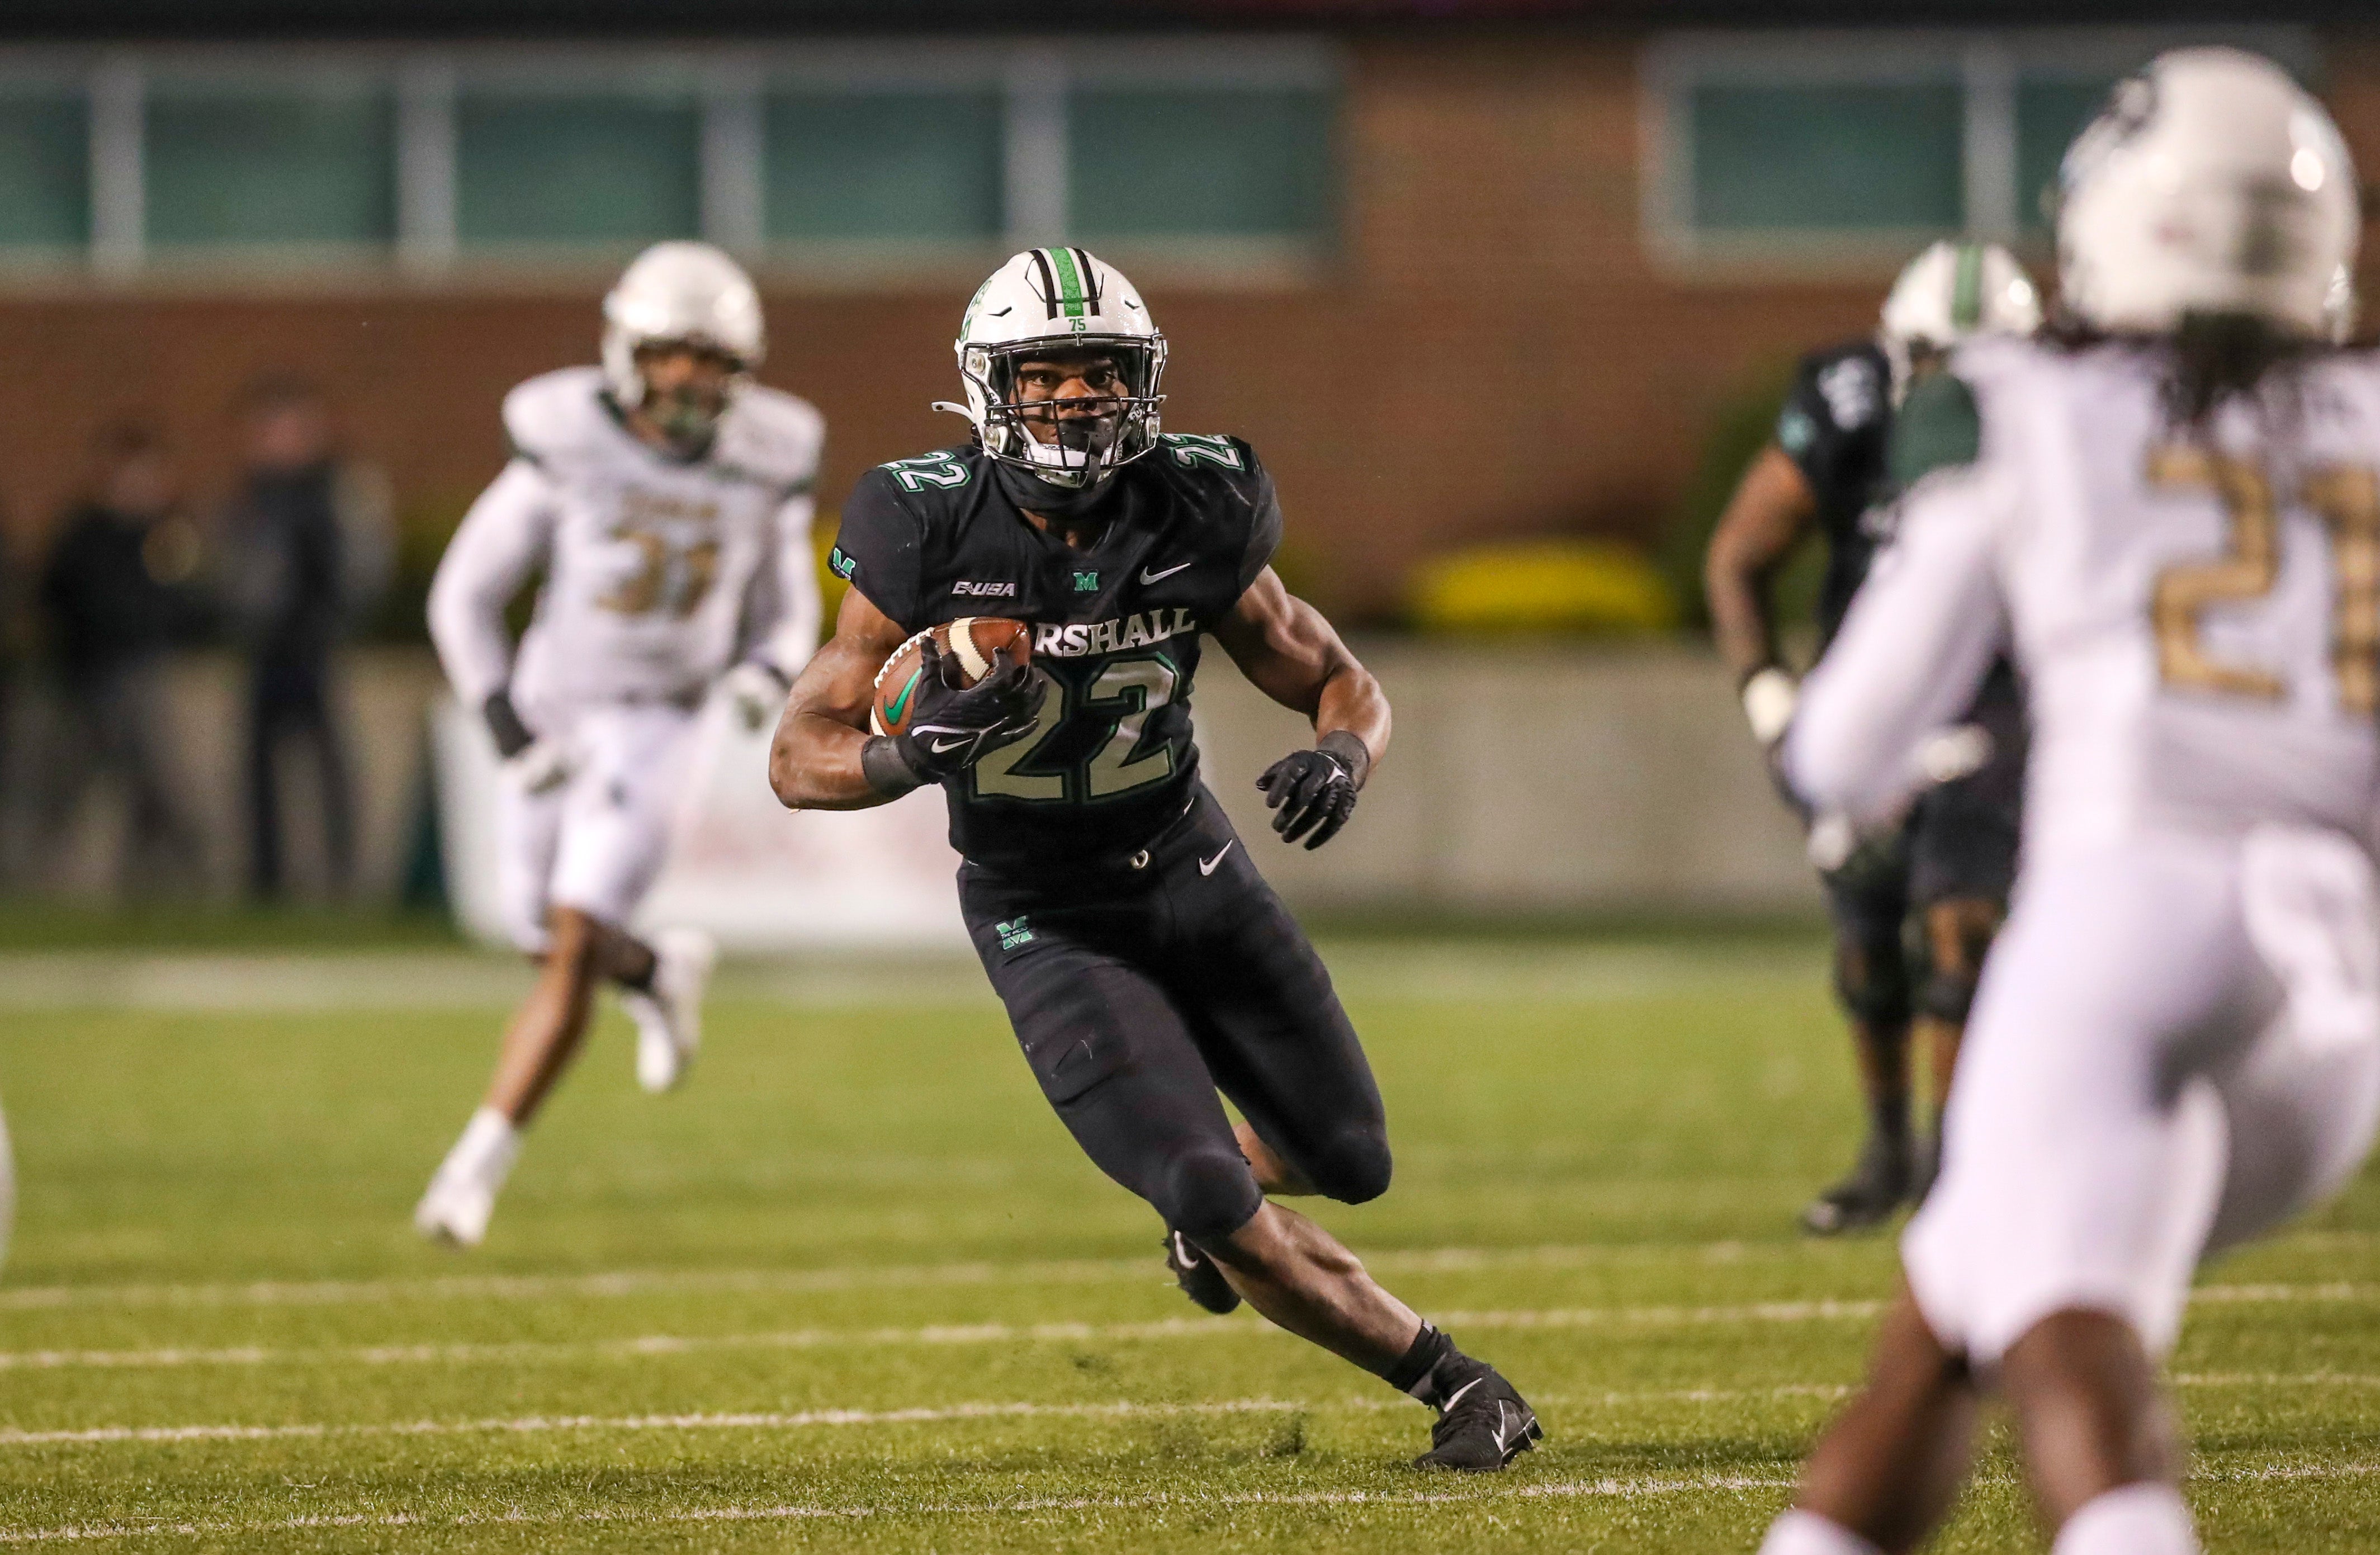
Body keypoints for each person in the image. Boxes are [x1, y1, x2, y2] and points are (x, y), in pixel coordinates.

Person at [769, 247, 1540, 1472]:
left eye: (1102, 372)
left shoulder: (1197, 497)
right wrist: (908, 757)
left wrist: (1345, 757)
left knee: (1350, 1158)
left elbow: (1337, 674)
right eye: (1049, 373)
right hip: (1046, 910)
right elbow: (798, 752)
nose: (1078, 397)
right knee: (1201, 1183)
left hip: (1192, 866)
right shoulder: (921, 517)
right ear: (989, 389)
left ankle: (1206, 1218)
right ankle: (1453, 1378)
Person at [1758, 49, 2377, 1555]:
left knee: (2060, 1326)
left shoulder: (2028, 404)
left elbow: (1840, 750)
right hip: (2344, 989)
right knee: (1944, 1320)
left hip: (2130, 919)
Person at [415, 241, 824, 1247]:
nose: (688, 377)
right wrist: (508, 727)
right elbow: (462, 595)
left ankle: (477, 1165)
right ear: (625, 351)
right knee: (537, 930)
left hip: (663, 717)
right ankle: (654, 973)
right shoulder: (566, 437)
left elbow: (786, 606)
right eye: (671, 352)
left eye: (709, 357)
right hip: (556, 705)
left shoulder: (768, 454)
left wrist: (763, 677)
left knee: (564, 945)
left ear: (743, 367)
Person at [1705, 240, 2041, 1233]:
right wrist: (1771, 706)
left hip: (1998, 696)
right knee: (1867, 944)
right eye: (1944, 356)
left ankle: (1958, 1163)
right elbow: (1737, 555)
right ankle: (1888, 1150)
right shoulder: (1851, 400)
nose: (1965, 382)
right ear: (1901, 351)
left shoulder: (2059, 421)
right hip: (1874, 697)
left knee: (1963, 921)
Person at [215, 375, 391, 900]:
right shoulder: (249, 496)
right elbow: (230, 569)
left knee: (332, 769)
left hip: (320, 648)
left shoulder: (339, 490)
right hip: (267, 647)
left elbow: (365, 565)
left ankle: (344, 877)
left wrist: (338, 620)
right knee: (259, 773)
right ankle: (266, 879)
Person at [36, 422, 207, 894]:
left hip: (141, 674)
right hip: (84, 677)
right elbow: (55, 595)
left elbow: (190, 602)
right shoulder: (83, 532)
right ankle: (33, 879)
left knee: (157, 787)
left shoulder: (168, 534)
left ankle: (160, 880)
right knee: (62, 785)